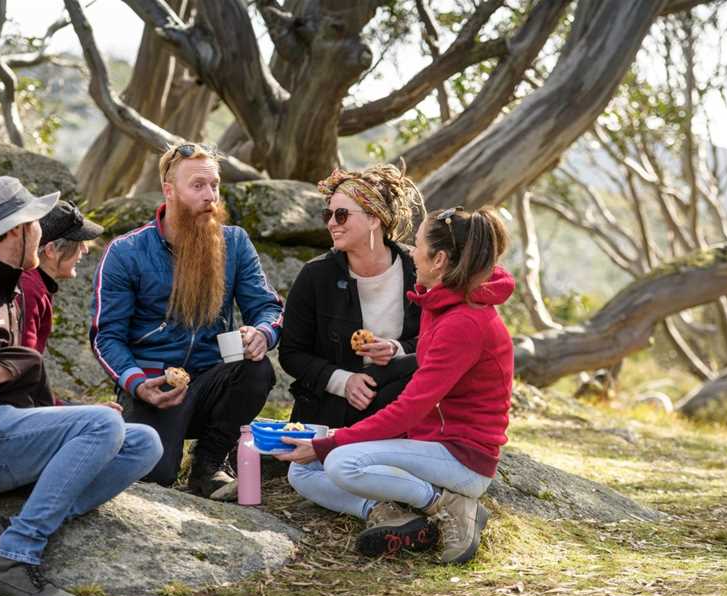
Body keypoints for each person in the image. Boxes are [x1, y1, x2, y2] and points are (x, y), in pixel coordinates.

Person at [0, 177, 163, 596]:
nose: (41, 230)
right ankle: (15, 560)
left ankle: (5, 532)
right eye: (35, 222)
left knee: (144, 442)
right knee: (101, 424)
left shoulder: (9, 286)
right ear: (16, 230)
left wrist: (64, 412)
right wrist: (4, 367)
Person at [280, 207, 514, 565]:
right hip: (427, 443)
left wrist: (331, 441)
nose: (410, 253)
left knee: (342, 462)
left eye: (417, 245)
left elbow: (409, 408)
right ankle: (386, 510)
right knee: (303, 470)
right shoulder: (443, 301)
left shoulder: (464, 321)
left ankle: (449, 504)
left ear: (439, 259)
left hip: (461, 456)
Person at [90, 142, 283, 497]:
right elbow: (106, 337)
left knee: (257, 370)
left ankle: (210, 463)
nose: (210, 195)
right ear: (169, 190)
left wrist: (262, 333)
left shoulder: (234, 243)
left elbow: (268, 308)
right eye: (197, 185)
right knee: (155, 478)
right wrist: (135, 381)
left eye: (215, 185)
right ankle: (146, 438)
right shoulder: (127, 251)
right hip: (155, 384)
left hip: (214, 378)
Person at [279, 164, 423, 430]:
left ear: (374, 219)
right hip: (331, 407)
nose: (332, 223)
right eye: (328, 214)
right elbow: (291, 353)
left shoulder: (418, 270)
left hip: (399, 398)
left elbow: (439, 341)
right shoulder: (314, 276)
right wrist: (343, 381)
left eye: (342, 214)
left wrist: (396, 349)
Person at [20, 200, 104, 354]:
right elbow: (24, 360)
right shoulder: (29, 291)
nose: (85, 250)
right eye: (78, 243)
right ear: (51, 250)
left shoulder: (33, 284)